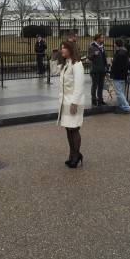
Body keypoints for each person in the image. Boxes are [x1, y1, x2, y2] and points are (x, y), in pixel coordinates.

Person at [57, 41, 85, 169]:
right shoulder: (66, 64)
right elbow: (53, 71)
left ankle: (76, 155)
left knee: (74, 129)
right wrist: (54, 57)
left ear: (70, 50)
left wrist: (74, 102)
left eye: (64, 48)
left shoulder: (77, 64)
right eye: (61, 48)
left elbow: (79, 85)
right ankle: (72, 154)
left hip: (73, 101)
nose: (61, 50)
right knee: (68, 128)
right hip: (65, 101)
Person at [110, 38, 130, 114]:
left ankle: (126, 107)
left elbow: (117, 66)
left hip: (118, 75)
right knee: (119, 92)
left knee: (119, 92)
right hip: (123, 74)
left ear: (115, 44)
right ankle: (122, 106)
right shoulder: (125, 52)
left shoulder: (119, 53)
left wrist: (112, 72)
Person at [87, 33, 108, 106]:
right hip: (95, 69)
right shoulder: (91, 47)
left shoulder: (102, 47)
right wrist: (94, 54)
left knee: (101, 85)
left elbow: (104, 58)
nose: (103, 39)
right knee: (95, 85)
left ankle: (100, 99)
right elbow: (89, 57)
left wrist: (106, 66)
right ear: (98, 39)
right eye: (102, 38)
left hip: (102, 69)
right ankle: (93, 99)